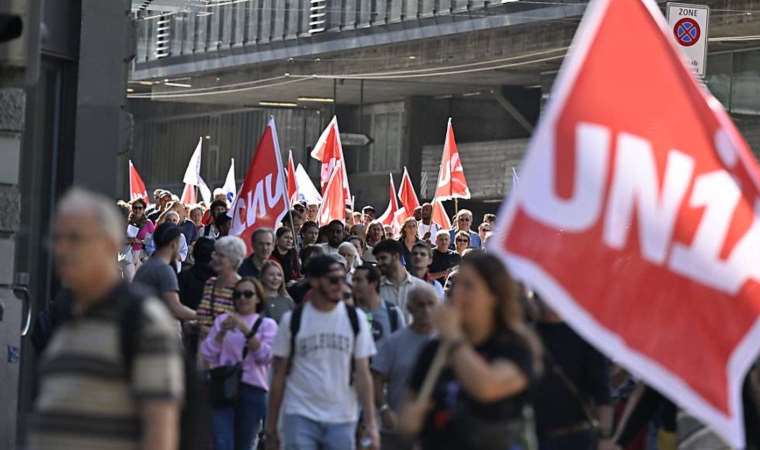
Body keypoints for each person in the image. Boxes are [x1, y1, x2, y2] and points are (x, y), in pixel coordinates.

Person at [29, 188, 184, 450]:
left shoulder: (143, 321)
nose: (63, 249)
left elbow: (159, 428)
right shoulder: (68, 313)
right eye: (58, 239)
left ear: (110, 245)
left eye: (76, 239)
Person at [400, 252, 543, 450]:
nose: (458, 294)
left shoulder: (515, 347)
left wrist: (454, 338)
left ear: (494, 295)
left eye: (469, 286)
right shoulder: (435, 349)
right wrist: (409, 420)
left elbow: (486, 387)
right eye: (457, 285)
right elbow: (409, 409)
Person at [265, 255, 380, 450]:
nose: (340, 286)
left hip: (342, 416)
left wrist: (371, 424)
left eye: (343, 279)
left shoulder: (356, 319)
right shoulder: (292, 321)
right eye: (333, 280)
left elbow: (363, 373)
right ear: (314, 281)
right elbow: (279, 375)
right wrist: (271, 427)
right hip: (300, 414)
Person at [201, 277, 278, 450]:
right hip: (224, 386)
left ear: (258, 297)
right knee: (222, 442)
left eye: (248, 294)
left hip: (252, 389)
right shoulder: (223, 321)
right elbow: (207, 353)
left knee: (244, 444)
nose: (242, 298)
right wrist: (220, 334)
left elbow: (266, 356)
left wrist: (246, 331)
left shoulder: (267, 324)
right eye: (238, 294)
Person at [532, 298, 614, 450]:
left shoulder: (585, 335)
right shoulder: (527, 336)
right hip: (535, 440)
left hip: (577, 439)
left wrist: (605, 437)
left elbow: (602, 392)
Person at [372, 285, 438, 450]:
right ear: (410, 308)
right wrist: (384, 410)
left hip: (435, 430)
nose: (426, 310)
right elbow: (376, 380)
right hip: (398, 427)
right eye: (420, 305)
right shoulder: (394, 342)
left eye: (431, 304)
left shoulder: (445, 343)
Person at [134, 222, 197, 323]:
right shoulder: (164, 270)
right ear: (174, 244)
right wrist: (202, 317)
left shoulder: (146, 266)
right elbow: (176, 308)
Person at [197, 236, 248, 337]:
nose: (214, 257)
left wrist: (205, 330)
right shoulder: (210, 283)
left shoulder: (243, 289)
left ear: (234, 260)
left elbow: (241, 329)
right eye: (215, 253)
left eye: (221, 255)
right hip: (202, 349)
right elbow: (205, 319)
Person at [353, 264, 406, 351]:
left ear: (373, 283)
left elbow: (402, 345)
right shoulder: (350, 313)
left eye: (359, 280)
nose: (354, 284)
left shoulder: (392, 312)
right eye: (353, 280)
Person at [373, 239, 429, 321]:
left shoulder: (421, 287)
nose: (379, 263)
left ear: (396, 256)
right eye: (378, 260)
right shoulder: (375, 289)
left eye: (383, 258)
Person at [121, 198, 155, 281]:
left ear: (144, 209)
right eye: (135, 208)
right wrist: (129, 240)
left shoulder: (148, 223)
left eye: (140, 208)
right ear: (132, 209)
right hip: (128, 254)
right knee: (129, 280)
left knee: (141, 282)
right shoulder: (126, 222)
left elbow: (151, 241)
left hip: (141, 255)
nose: (137, 210)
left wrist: (139, 241)